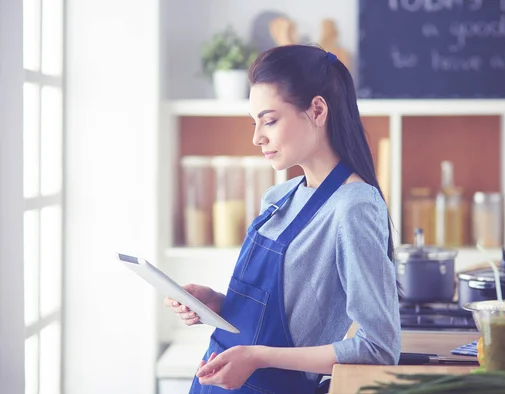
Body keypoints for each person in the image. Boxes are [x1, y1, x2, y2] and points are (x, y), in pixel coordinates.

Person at [165, 44, 402, 394]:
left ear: (317, 110)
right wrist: (217, 304)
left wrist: (259, 357)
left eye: (270, 120)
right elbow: (277, 315)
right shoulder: (279, 197)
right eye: (254, 122)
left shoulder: (354, 207)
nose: (257, 137)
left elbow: (378, 349)